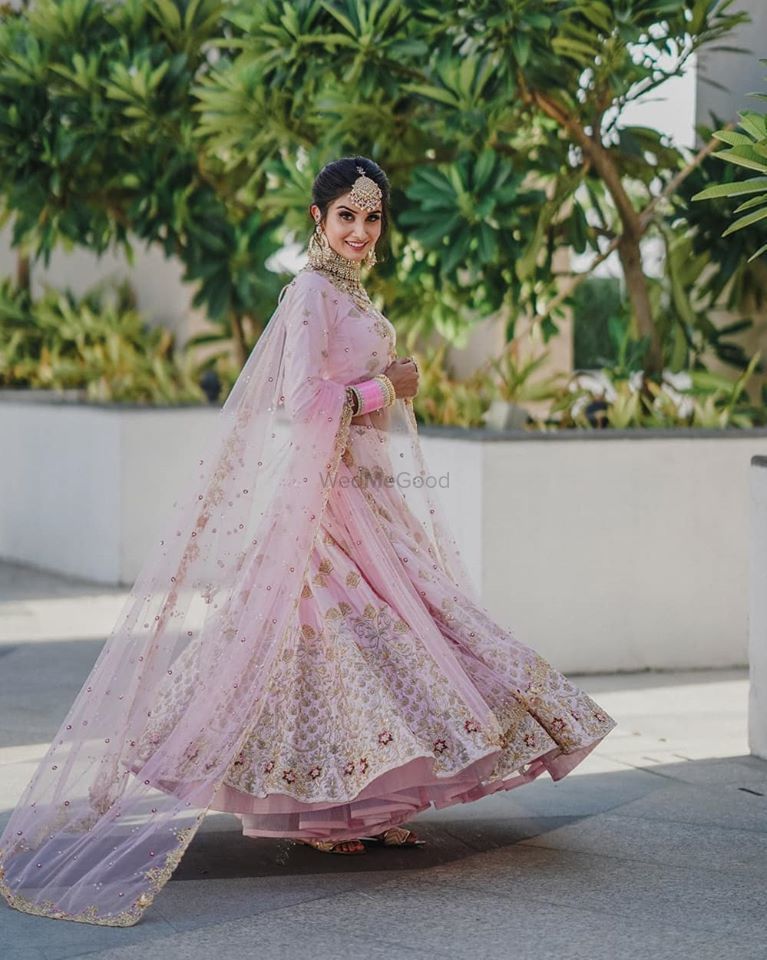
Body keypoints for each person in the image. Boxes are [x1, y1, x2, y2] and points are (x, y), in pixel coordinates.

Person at [0, 156, 617, 926]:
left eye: (373, 217)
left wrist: (382, 398)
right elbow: (301, 400)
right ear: (317, 221)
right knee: (335, 646)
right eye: (347, 217)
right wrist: (385, 387)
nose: (361, 231)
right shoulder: (309, 294)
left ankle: (366, 805)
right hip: (320, 505)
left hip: (364, 494)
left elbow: (352, 405)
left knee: (395, 642)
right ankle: (330, 815)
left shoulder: (351, 292)